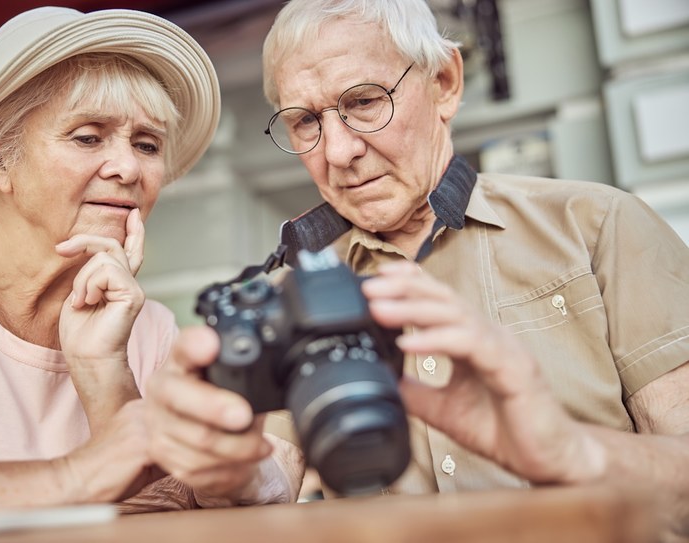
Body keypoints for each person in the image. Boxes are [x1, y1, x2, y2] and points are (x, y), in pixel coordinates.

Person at [143, 0, 689, 538]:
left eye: (363, 101)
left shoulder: (598, 225)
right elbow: (268, 485)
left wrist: (567, 449)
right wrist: (225, 470)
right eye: (306, 121)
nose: (336, 151)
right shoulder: (288, 295)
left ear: (445, 83)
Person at [0, 5, 290, 514]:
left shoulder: (149, 331)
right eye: (88, 136)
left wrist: (105, 370)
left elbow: (170, 519)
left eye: (147, 143)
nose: (128, 168)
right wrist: (70, 476)